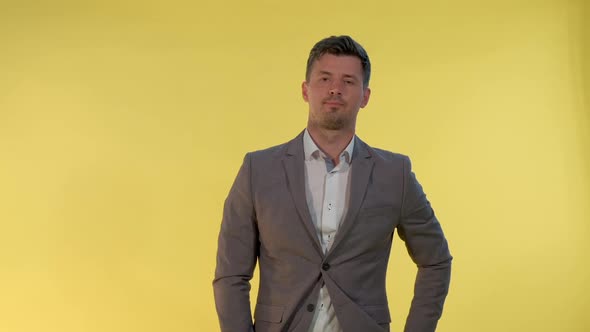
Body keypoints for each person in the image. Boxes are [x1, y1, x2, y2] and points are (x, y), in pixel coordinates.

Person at [213, 35, 452, 332]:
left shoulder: (396, 174)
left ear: (365, 96)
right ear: (305, 90)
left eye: (349, 82)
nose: (335, 89)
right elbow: (230, 274)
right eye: (324, 78)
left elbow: (436, 261)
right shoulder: (258, 170)